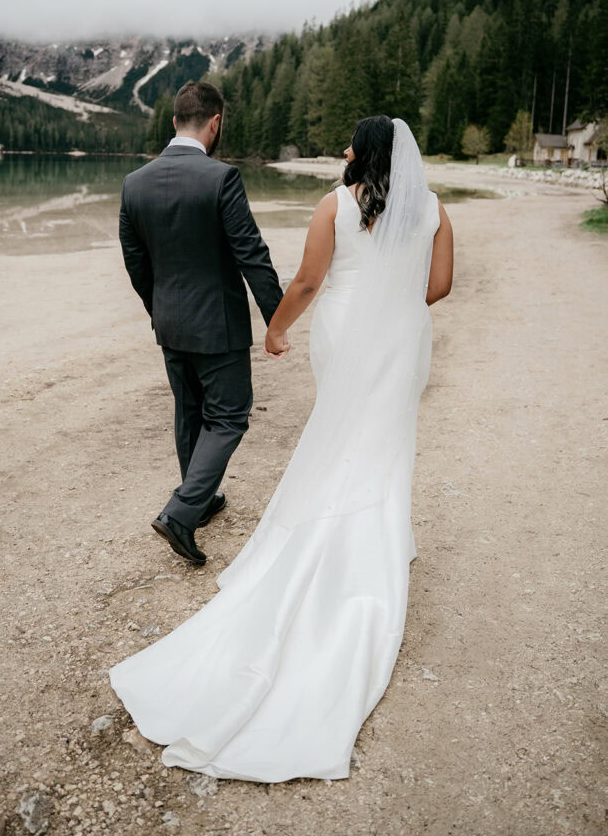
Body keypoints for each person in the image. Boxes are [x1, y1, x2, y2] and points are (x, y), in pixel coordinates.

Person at [110, 114, 453, 783]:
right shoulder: (435, 209)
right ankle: (380, 535)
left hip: (346, 332)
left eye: (353, 142)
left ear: (366, 153)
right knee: (386, 438)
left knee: (342, 431)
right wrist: (394, 295)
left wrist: (276, 330)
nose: (344, 150)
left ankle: (335, 529)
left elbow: (306, 283)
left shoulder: (334, 206)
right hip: (401, 334)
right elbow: (437, 288)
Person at [118, 80, 283, 566]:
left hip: (170, 322)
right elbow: (251, 254)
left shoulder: (135, 183)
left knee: (190, 411)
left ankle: (203, 497)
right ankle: (182, 513)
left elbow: (136, 262)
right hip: (219, 326)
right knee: (229, 415)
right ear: (215, 123)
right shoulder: (221, 178)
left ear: (174, 122)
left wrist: (160, 308)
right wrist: (278, 319)